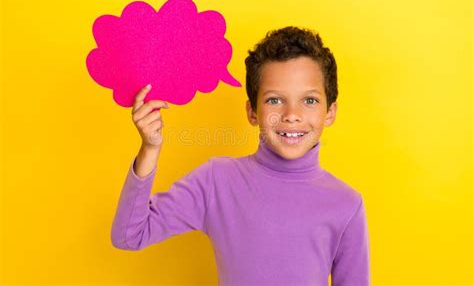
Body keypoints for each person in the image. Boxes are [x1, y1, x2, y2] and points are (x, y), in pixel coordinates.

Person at [110, 26, 370, 285]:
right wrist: (150, 149)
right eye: (275, 100)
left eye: (310, 100)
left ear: (330, 112)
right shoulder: (217, 181)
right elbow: (130, 235)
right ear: (252, 112)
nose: (292, 114)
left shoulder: (346, 204)